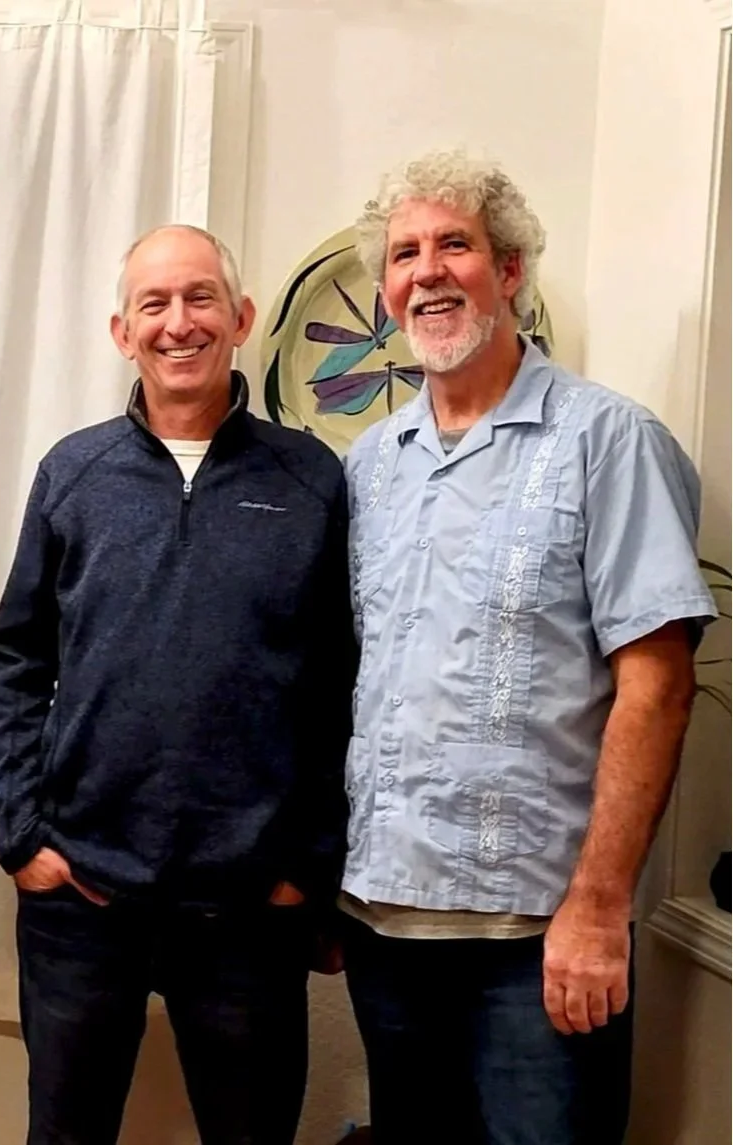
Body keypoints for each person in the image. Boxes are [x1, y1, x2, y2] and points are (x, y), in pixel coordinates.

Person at [340, 150, 714, 1144]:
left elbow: (657, 686)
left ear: (508, 270)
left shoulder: (607, 440)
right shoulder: (371, 465)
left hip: (539, 939)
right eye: (404, 254)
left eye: (453, 245)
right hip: (384, 922)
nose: (426, 271)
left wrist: (597, 907)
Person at [0, 224, 355, 1145]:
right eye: (154, 304)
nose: (178, 322)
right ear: (123, 332)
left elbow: (341, 683)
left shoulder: (310, 479)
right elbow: (21, 658)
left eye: (200, 299)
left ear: (242, 317)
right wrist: (23, 837)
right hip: (83, 894)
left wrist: (306, 867)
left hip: (250, 906)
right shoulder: (73, 473)